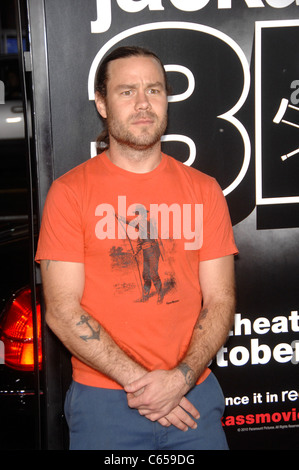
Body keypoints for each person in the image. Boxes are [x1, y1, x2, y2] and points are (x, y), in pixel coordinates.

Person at [35, 46, 238, 450]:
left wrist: (179, 379)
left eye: (154, 90)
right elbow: (61, 309)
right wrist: (144, 386)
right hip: (105, 401)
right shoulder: (70, 192)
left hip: (193, 397)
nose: (143, 103)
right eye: (127, 91)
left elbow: (220, 300)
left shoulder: (204, 190)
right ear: (102, 103)